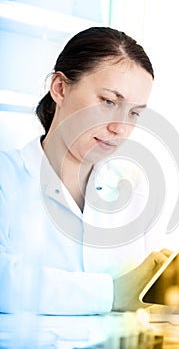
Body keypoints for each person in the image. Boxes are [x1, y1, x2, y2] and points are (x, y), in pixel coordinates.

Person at [0, 27, 169, 315]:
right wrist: (113, 293)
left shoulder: (136, 189)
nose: (121, 128)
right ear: (60, 88)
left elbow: (147, 299)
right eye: (108, 102)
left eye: (134, 113)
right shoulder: (7, 177)